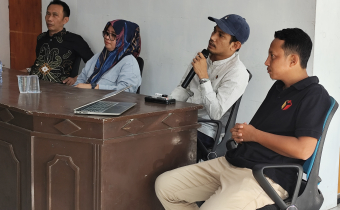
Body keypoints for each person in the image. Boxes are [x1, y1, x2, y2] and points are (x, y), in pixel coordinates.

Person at [155, 28, 331, 210]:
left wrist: (254, 135)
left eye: (273, 56)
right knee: (165, 186)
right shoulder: (279, 88)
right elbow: (261, 132)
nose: (266, 62)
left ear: (293, 60)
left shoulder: (314, 95)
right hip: (235, 162)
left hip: (267, 176)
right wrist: (243, 134)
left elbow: (303, 150)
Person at [170, 14, 250, 152]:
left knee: (162, 142)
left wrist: (204, 77)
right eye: (214, 31)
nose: (212, 37)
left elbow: (216, 113)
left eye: (221, 35)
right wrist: (166, 108)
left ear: (235, 45)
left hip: (206, 129)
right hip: (184, 120)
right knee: (147, 130)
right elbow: (184, 89)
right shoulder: (203, 56)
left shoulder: (238, 73)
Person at [24, 0, 94, 85]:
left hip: (60, 91)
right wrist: (27, 70)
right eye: (48, 14)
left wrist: (77, 78)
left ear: (65, 20)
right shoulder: (41, 38)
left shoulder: (75, 40)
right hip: (35, 85)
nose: (49, 18)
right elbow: (41, 64)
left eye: (55, 15)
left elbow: (94, 64)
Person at [73, 19, 142, 92]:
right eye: (106, 33)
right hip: (84, 99)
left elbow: (126, 91)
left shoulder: (129, 62)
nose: (106, 37)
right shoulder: (97, 57)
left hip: (109, 102)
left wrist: (94, 87)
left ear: (125, 39)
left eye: (113, 35)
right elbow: (80, 81)